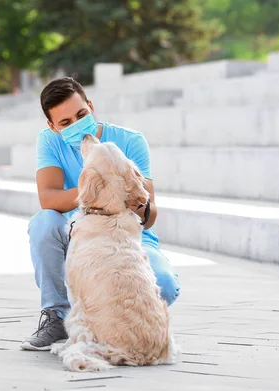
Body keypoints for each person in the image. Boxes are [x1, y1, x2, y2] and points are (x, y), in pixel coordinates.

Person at [20, 77, 180, 351]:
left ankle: (116, 323)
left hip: (124, 237)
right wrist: (98, 186)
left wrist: (127, 193)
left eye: (82, 115)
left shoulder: (130, 141)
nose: (76, 125)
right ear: (52, 126)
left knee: (163, 286)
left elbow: (149, 216)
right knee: (43, 223)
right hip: (79, 233)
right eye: (65, 122)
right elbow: (48, 198)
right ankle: (57, 316)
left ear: (91, 106)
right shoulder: (49, 141)